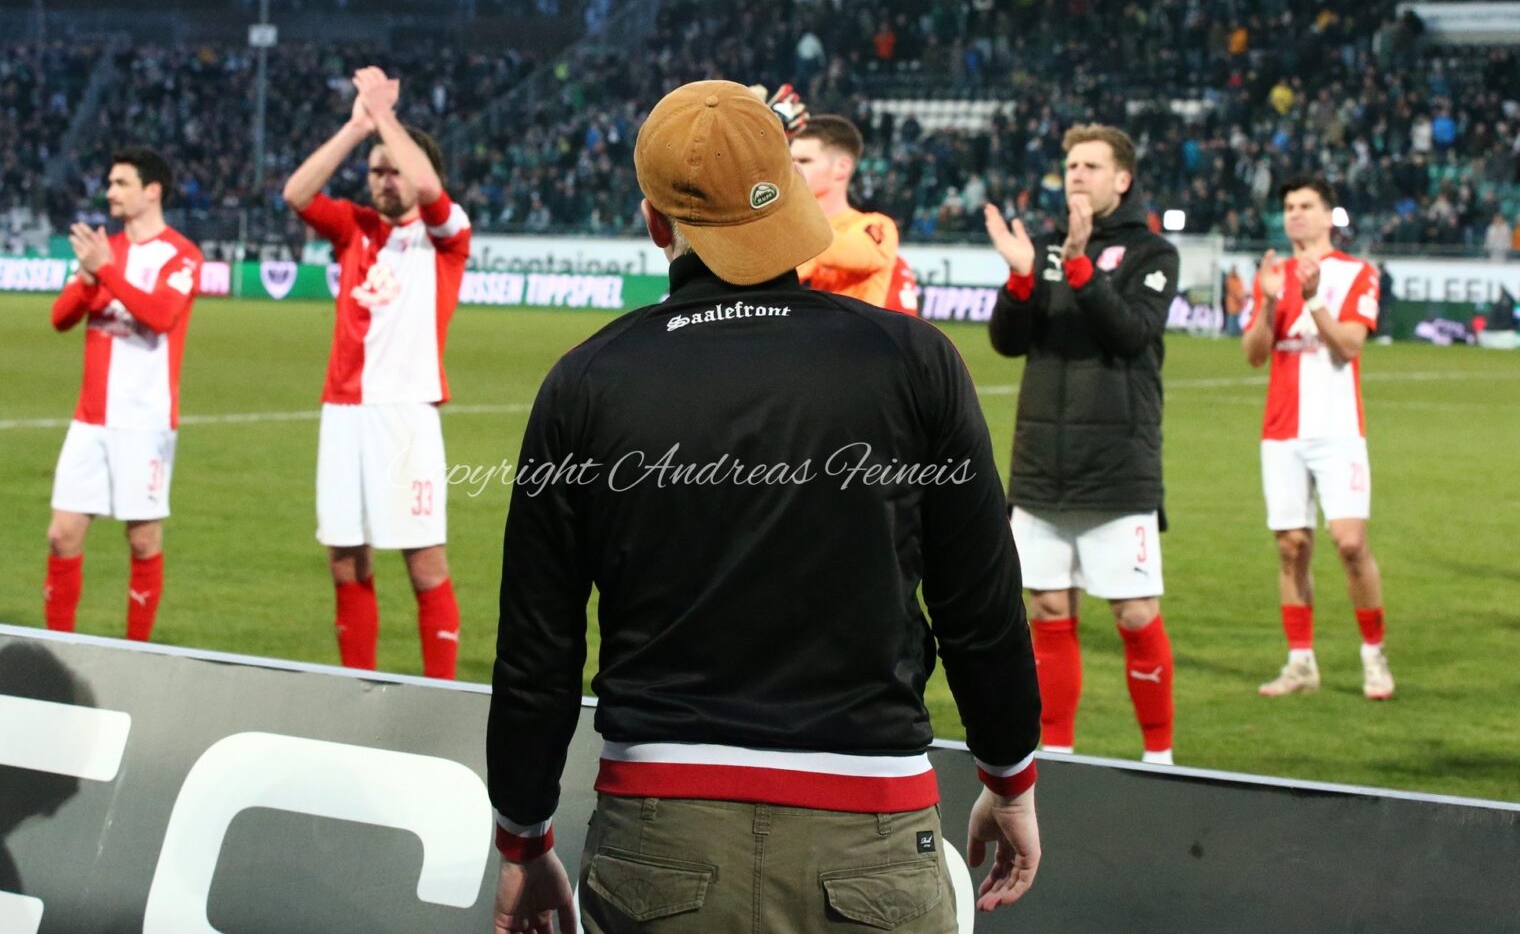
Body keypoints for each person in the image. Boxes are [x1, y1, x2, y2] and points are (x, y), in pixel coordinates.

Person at [487, 80, 1042, 933]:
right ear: (790, 193)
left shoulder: (585, 381)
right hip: (872, 830)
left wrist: (525, 840)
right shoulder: (914, 361)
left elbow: (538, 649)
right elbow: (981, 606)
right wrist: (1009, 780)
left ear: (655, 221)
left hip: (657, 837)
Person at [984, 123, 1180, 765]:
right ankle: (1059, 758)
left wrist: (1078, 265)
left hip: (1117, 464)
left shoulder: (1153, 254)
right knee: (1046, 607)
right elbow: (1009, 342)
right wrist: (1021, 280)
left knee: (1134, 613)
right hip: (1042, 464)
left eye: (1090, 166)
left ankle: (1159, 760)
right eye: (1071, 164)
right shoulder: (1042, 250)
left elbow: (1131, 334)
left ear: (1122, 179)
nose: (1076, 174)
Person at [283, 67, 472, 679]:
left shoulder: (446, 237)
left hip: (405, 413)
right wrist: (357, 126)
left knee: (424, 563)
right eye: (375, 172)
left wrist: (387, 118)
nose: (384, 181)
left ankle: (440, 695)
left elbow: (428, 186)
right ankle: (355, 689)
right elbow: (296, 193)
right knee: (345, 559)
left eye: (394, 170)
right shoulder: (354, 228)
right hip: (342, 410)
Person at [1241, 175, 1392, 701]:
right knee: (1291, 547)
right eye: (1289, 206)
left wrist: (1312, 301)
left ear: (1329, 216)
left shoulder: (1357, 273)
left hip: (1338, 430)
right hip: (1282, 431)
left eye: (1306, 205)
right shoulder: (1272, 275)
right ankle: (1301, 662)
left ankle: (1373, 654)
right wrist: (1267, 303)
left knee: (1350, 542)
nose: (1296, 214)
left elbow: (1349, 345)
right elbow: (1254, 355)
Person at [45, 147, 201, 641]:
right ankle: (58, 649)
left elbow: (160, 315)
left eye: (120, 183)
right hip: (90, 418)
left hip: (145, 420)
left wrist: (106, 272)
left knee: (142, 540)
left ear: (151, 191)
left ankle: (137, 655)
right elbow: (60, 319)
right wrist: (88, 277)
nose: (109, 192)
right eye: (109, 183)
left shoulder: (181, 255)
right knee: (62, 534)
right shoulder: (105, 248)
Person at [792, 114, 904, 309]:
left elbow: (851, 253)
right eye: (789, 160)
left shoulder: (877, 226)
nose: (792, 168)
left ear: (841, 168)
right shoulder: (790, 229)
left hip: (852, 329)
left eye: (804, 160)